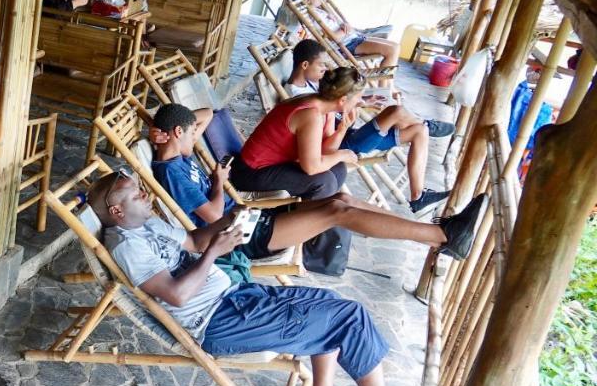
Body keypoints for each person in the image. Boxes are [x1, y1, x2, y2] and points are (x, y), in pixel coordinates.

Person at [88, 168, 442, 386]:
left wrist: (229, 219)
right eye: (137, 194)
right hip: (219, 322)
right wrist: (215, 253)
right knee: (348, 318)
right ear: (117, 212)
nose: (146, 195)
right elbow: (177, 296)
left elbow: (194, 242)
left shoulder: (147, 224)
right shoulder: (126, 246)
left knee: (327, 306)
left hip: (236, 298)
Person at [148, 102, 484, 262]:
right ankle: (442, 237)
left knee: (343, 200)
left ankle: (440, 234)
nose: (198, 133)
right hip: (234, 237)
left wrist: (165, 130)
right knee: (338, 211)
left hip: (246, 219)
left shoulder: (178, 153)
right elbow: (211, 216)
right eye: (192, 132)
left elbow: (207, 113)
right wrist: (219, 182)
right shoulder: (172, 171)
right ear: (179, 133)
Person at [285, 39, 454, 212]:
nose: (324, 70)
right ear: (305, 65)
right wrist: (353, 106)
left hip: (350, 134)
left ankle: (418, 196)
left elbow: (335, 102)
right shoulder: (296, 94)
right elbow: (322, 120)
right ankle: (425, 122)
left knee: (420, 131)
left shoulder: (311, 83)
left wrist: (363, 101)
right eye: (321, 65)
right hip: (343, 143)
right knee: (395, 111)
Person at [231, 65, 366, 201]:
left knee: (338, 168)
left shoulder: (325, 107)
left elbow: (325, 152)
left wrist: (342, 130)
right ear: (342, 100)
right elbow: (312, 168)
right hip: (249, 173)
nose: (361, 102)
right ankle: (301, 219)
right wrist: (342, 154)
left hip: (274, 166)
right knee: (324, 181)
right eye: (359, 97)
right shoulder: (310, 114)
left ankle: (322, 212)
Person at [294, 0, 399, 78]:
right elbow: (333, 38)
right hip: (347, 44)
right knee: (392, 50)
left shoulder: (318, 11)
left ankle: (388, 88)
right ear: (307, 1)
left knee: (396, 46)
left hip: (353, 37)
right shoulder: (314, 17)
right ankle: (385, 89)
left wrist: (344, 25)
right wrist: (345, 30)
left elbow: (336, 25)